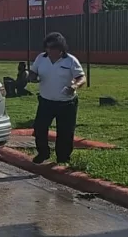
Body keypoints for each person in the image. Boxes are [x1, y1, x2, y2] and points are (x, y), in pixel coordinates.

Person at [28, 32, 85, 164]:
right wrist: (31, 76)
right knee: (40, 128)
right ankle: (43, 153)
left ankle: (63, 158)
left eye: (53, 48)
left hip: (66, 103)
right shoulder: (41, 58)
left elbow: (81, 77)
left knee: (65, 132)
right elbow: (33, 72)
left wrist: (75, 86)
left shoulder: (70, 60)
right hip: (45, 101)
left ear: (61, 48)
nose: (49, 51)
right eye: (47, 48)